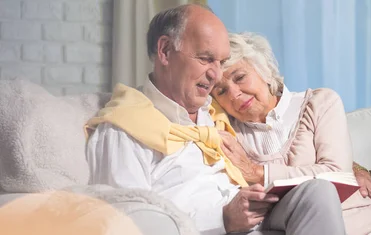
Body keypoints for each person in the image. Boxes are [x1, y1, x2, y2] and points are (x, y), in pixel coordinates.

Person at [85, 4, 347, 235]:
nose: (215, 75)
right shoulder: (124, 128)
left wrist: (359, 170)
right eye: (206, 58)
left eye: (220, 62)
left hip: (260, 220)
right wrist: (223, 219)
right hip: (205, 228)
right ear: (165, 51)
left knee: (317, 192)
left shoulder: (215, 114)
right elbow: (129, 222)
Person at [210, 32, 371, 235]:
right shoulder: (225, 132)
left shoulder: (320, 103)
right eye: (221, 91)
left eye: (240, 77)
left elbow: (337, 173)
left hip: (365, 226)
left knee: (321, 190)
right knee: (317, 192)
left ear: (264, 71)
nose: (234, 94)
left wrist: (257, 172)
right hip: (295, 227)